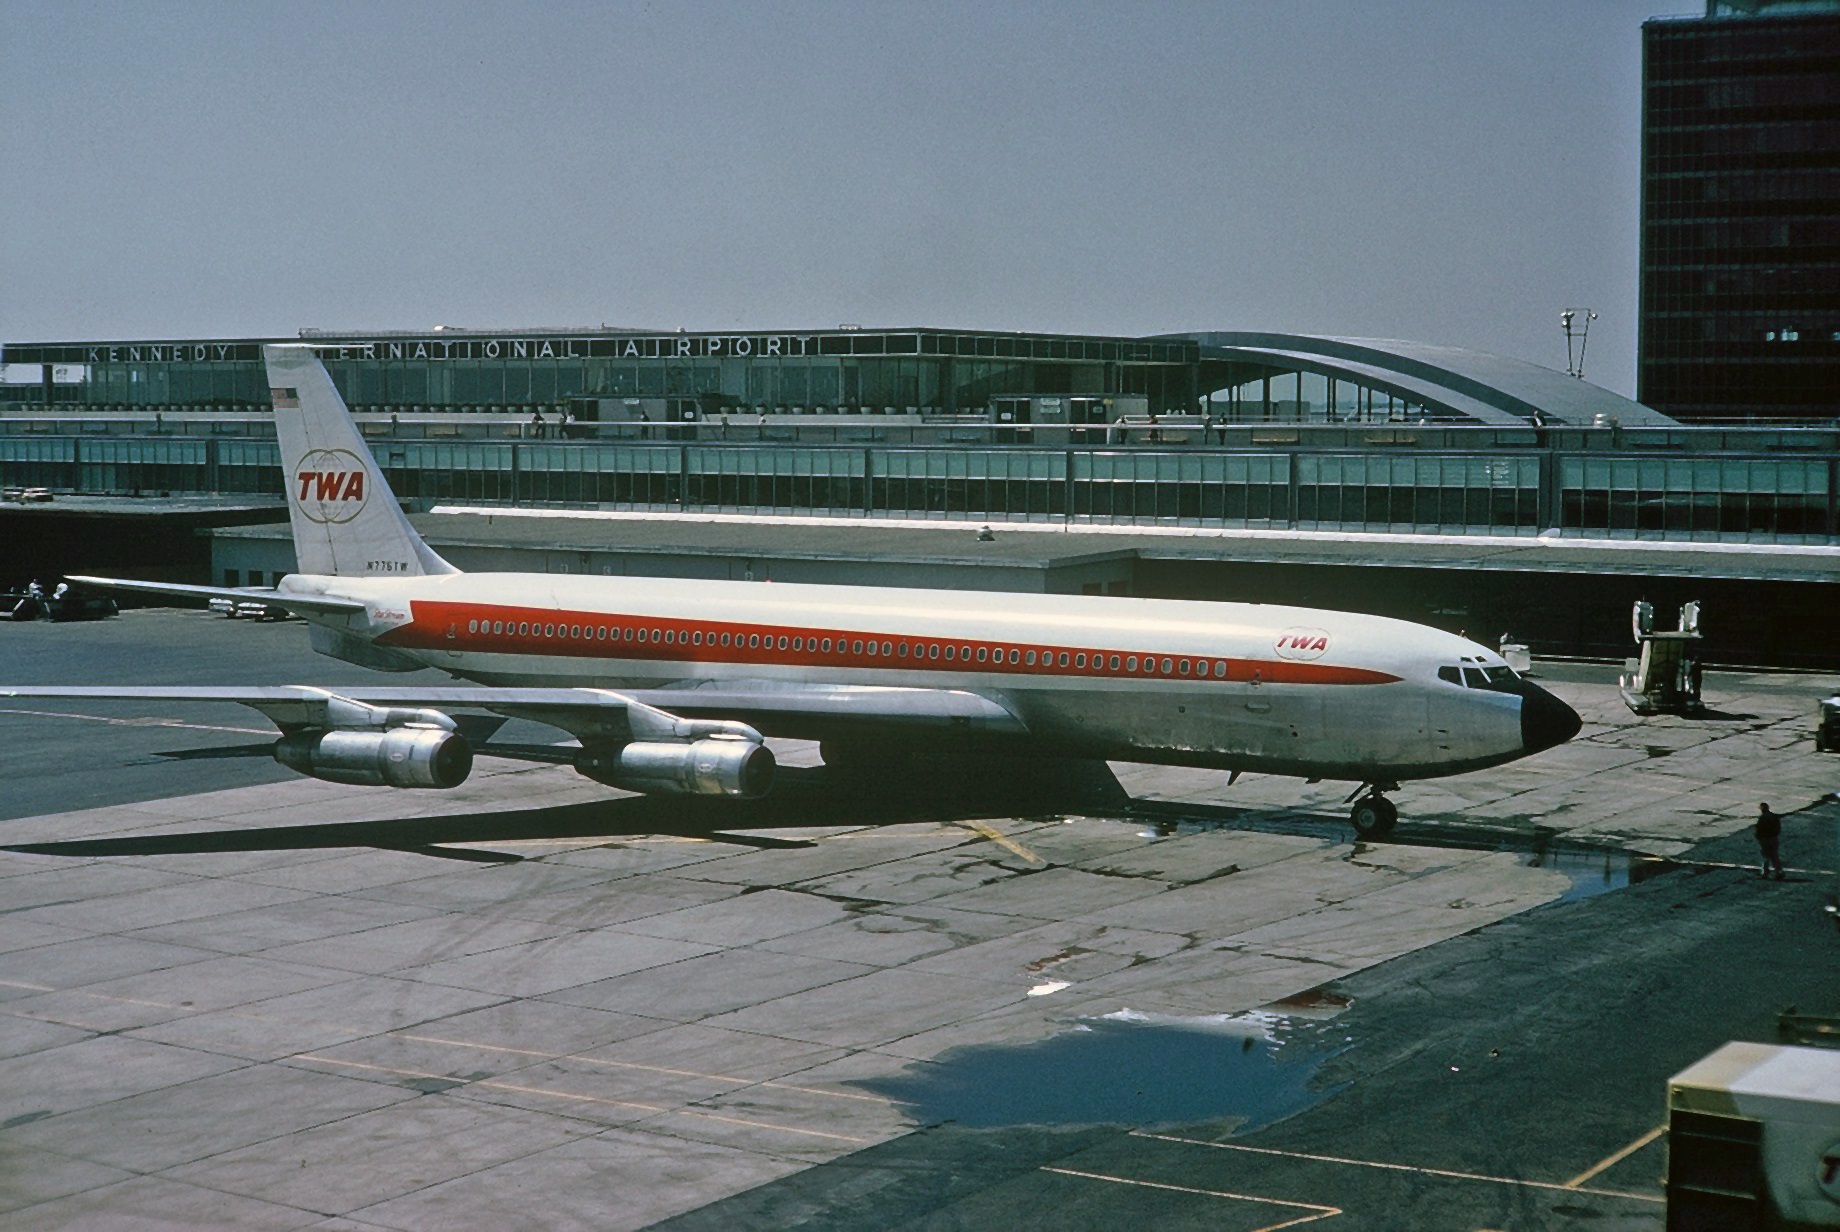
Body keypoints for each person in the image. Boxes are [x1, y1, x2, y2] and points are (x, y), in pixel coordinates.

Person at [1756, 802, 1785, 880]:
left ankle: (1765, 872)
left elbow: (1758, 830)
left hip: (1765, 839)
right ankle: (1779, 872)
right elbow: (1778, 828)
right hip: (1773, 838)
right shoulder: (1774, 817)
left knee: (1765, 856)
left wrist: (1759, 838)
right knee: (1774, 856)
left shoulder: (1762, 818)